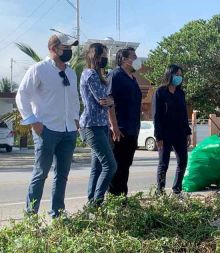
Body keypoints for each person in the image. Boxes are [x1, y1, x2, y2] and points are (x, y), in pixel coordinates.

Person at [15, 33, 80, 218]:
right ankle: (31, 218)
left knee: (62, 175)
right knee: (41, 173)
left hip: (68, 131)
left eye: (70, 48)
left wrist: (75, 120)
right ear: (53, 49)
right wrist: (33, 122)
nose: (69, 51)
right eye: (65, 47)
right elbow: (22, 95)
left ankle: (57, 214)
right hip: (47, 130)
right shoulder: (39, 69)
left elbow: (74, 98)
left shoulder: (70, 72)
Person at [79, 43, 117, 205]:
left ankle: (91, 204)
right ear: (94, 57)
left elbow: (108, 100)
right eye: (102, 56)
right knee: (110, 165)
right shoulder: (90, 75)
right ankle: (97, 202)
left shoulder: (99, 75)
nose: (105, 59)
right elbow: (103, 100)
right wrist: (111, 100)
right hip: (91, 125)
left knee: (98, 167)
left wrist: (110, 100)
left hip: (101, 125)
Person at [107, 47, 142, 196]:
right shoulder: (115, 75)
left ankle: (122, 197)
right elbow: (109, 101)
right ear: (124, 59)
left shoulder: (133, 79)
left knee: (126, 165)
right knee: (117, 166)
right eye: (133, 56)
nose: (136, 59)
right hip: (119, 130)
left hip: (132, 129)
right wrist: (114, 126)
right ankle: (114, 198)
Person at [152, 64, 192, 195]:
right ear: (170, 75)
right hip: (165, 134)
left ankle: (177, 190)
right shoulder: (160, 92)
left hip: (180, 133)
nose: (179, 78)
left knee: (183, 162)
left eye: (181, 75)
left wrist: (188, 132)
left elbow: (184, 114)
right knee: (164, 164)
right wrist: (158, 136)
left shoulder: (181, 93)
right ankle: (160, 192)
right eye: (177, 75)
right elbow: (156, 115)